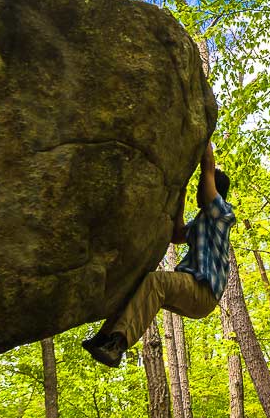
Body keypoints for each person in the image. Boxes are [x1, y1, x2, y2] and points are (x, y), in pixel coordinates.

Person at [82, 141, 235, 367]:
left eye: (201, 186)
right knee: (140, 286)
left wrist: (205, 137)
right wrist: (180, 193)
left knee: (157, 282)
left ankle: (118, 345)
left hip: (202, 291)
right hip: (197, 295)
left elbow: (209, 167)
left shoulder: (221, 213)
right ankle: (105, 338)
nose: (198, 190)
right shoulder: (203, 221)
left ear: (212, 189)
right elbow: (177, 234)